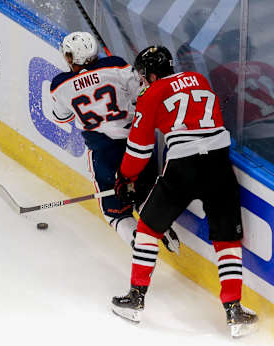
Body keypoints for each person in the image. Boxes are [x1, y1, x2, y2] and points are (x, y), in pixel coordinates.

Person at [112, 46, 258, 338]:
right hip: (219, 163)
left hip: (183, 165)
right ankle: (235, 311)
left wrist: (125, 177)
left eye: (143, 77)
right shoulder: (198, 79)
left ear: (151, 74)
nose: (142, 82)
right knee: (227, 238)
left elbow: (140, 148)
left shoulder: (150, 94)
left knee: (147, 229)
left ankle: (135, 299)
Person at [50, 32, 180, 253]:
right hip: (136, 144)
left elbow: (60, 116)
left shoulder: (60, 85)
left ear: (73, 57)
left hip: (103, 152)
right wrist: (119, 75)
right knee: (144, 192)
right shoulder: (116, 65)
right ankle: (162, 227)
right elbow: (142, 95)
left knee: (115, 212)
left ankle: (138, 244)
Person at [177, 29, 274, 177]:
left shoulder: (221, 73)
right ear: (251, 51)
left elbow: (221, 116)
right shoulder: (266, 68)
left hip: (265, 142)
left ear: (223, 50)